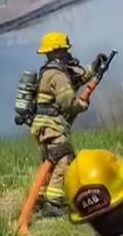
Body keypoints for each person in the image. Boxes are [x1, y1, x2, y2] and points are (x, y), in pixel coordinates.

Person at [31, 32, 109, 217]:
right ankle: (52, 203)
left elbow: (77, 78)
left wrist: (95, 66)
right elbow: (68, 103)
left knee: (51, 162)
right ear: (56, 52)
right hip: (51, 125)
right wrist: (82, 105)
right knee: (63, 159)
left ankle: (41, 200)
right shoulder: (57, 76)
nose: (67, 54)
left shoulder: (51, 72)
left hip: (44, 126)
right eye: (64, 50)